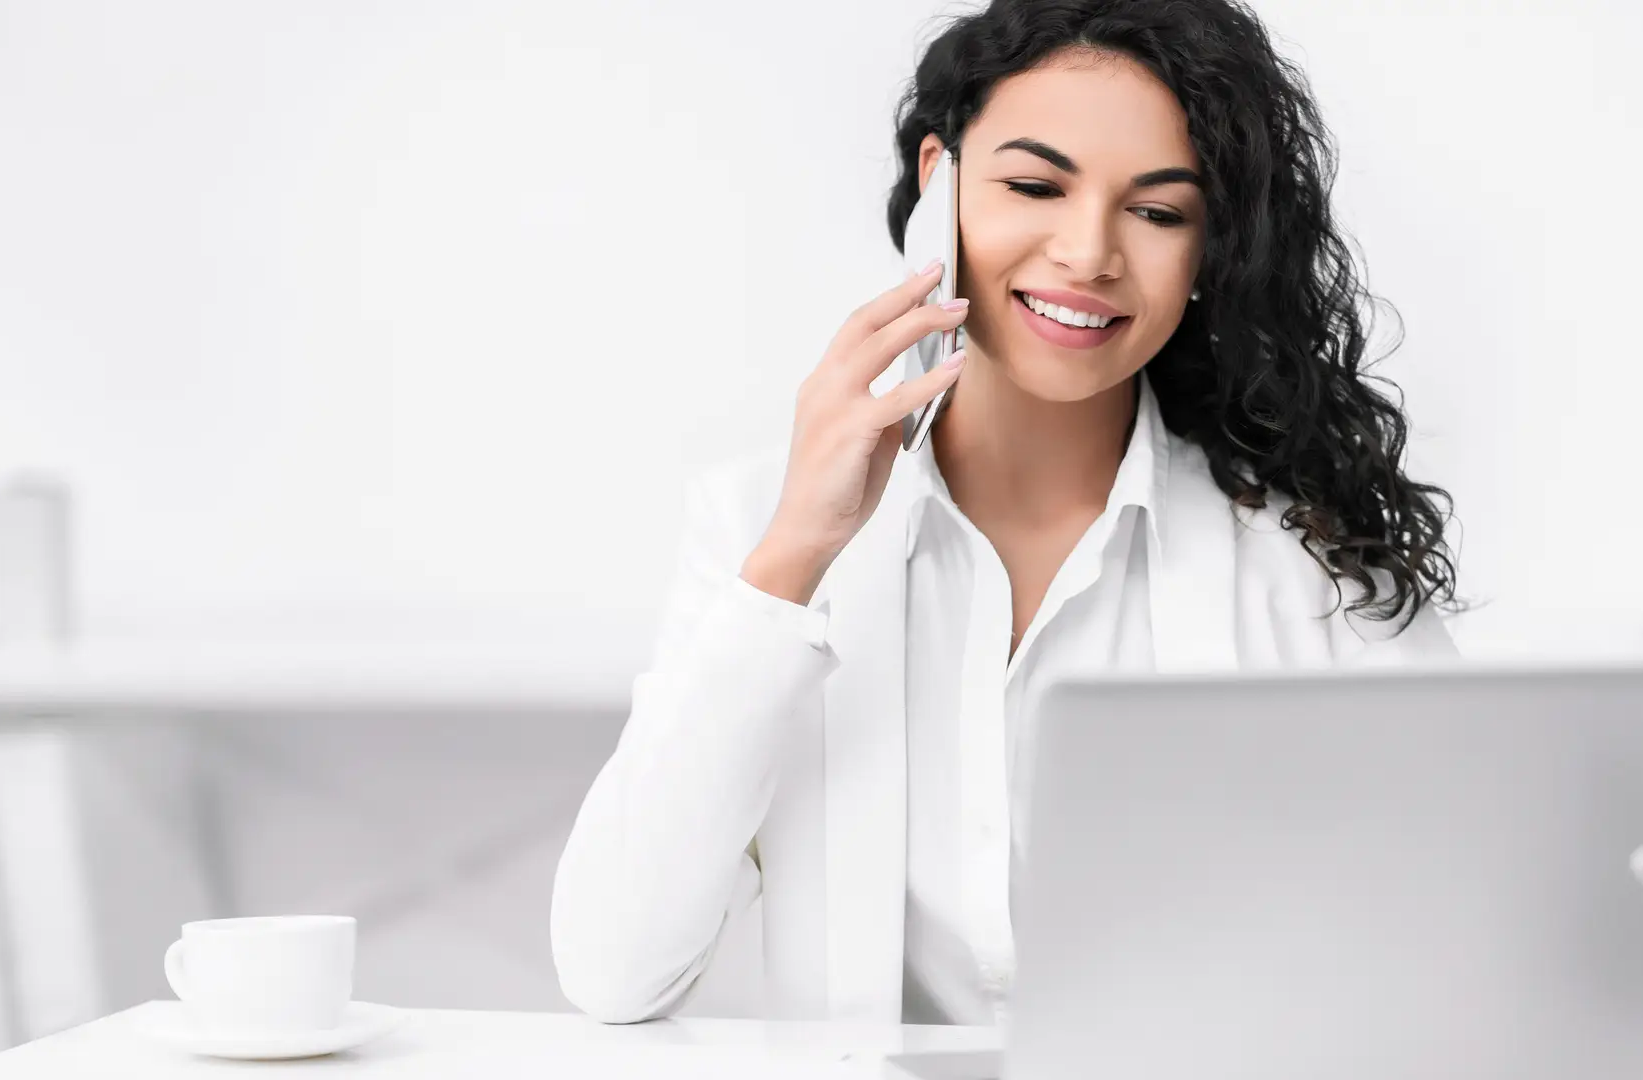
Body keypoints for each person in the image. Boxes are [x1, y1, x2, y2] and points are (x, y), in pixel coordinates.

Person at [551, 0, 1465, 1027]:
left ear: (1211, 253)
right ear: (939, 185)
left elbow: (1455, 948)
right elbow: (613, 970)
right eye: (1035, 185)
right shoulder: (757, 528)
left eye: (1158, 213)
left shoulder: (1309, 567)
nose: (1087, 254)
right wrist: (796, 556)